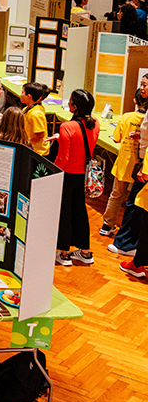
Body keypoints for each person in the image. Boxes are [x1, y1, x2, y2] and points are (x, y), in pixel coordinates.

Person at [54, 90, 99, 267]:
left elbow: (63, 158)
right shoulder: (95, 124)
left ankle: (64, 253)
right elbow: (84, 143)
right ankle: (85, 252)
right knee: (80, 210)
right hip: (83, 174)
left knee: (64, 211)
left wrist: (52, 172)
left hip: (67, 174)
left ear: (74, 107)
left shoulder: (66, 126)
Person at [103, 83, 148, 237]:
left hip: (124, 163)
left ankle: (107, 225)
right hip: (141, 167)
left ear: (135, 101)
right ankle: (128, 230)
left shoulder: (126, 117)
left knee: (116, 195)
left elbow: (116, 139)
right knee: (135, 200)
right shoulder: (146, 121)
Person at [21, 82, 54, 157]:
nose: (21, 95)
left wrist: (26, 141)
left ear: (29, 96)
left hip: (38, 153)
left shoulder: (35, 114)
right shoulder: (26, 109)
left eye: (23, 92)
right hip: (29, 148)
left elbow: (40, 134)